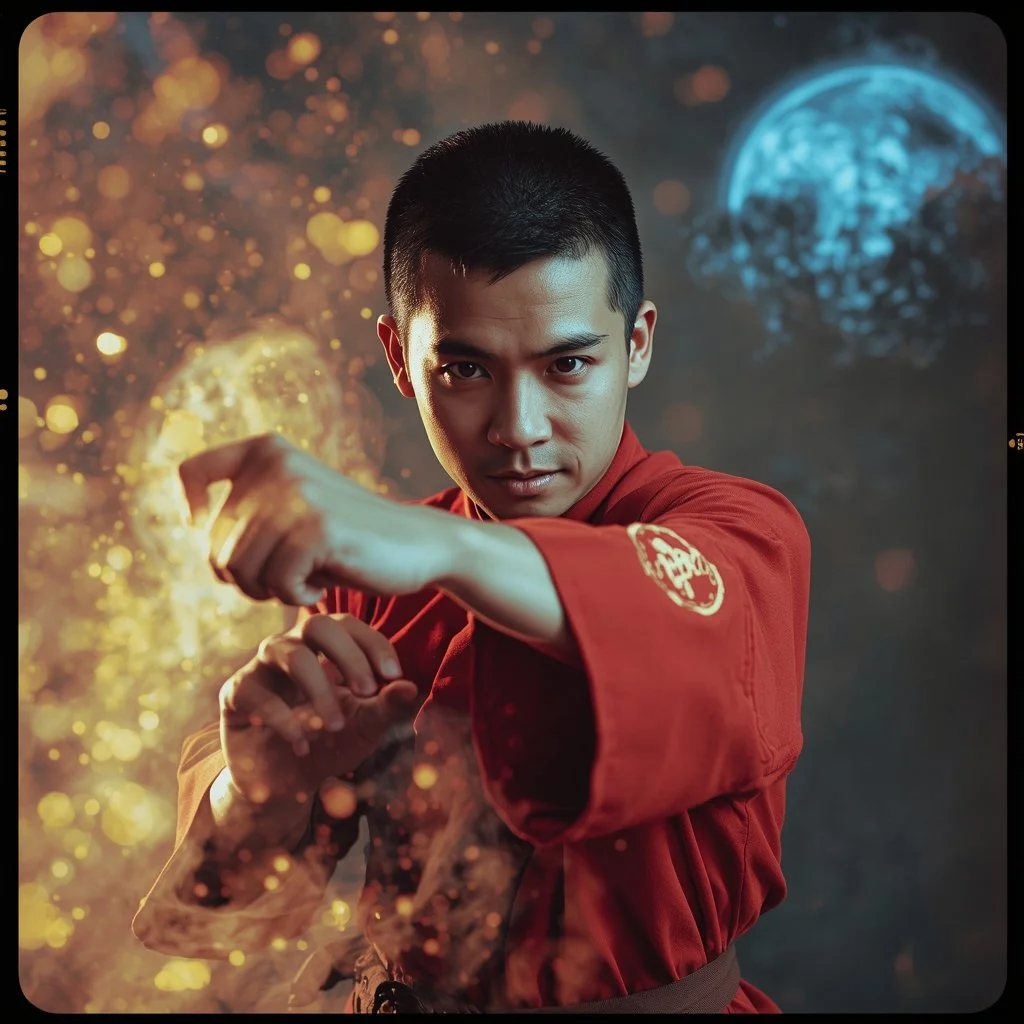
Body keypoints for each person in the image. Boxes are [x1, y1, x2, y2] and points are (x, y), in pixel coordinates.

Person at [132, 121, 811, 1014]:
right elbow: (221, 927)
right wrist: (257, 789)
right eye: (465, 369)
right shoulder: (377, 570)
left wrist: (437, 545)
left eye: (568, 364)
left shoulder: (738, 533)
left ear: (637, 343)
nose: (518, 428)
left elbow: (670, 636)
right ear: (398, 360)